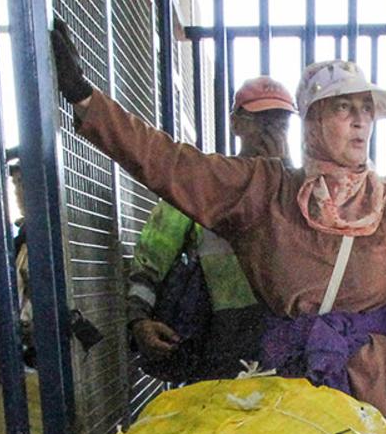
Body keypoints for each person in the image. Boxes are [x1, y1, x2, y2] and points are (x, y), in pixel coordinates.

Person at [50, 20, 386, 434]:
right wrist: (86, 100)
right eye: (343, 107)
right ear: (312, 122)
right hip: (288, 379)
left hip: (378, 387)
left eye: (366, 110)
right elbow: (172, 164)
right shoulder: (263, 189)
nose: (359, 120)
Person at [124, 76, 294, 384]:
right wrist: (139, 319)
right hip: (218, 347)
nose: (270, 132)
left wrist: (284, 178)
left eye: (279, 124)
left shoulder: (302, 194)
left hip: (287, 346)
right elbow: (150, 257)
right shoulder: (203, 186)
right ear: (236, 124)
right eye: (260, 121)